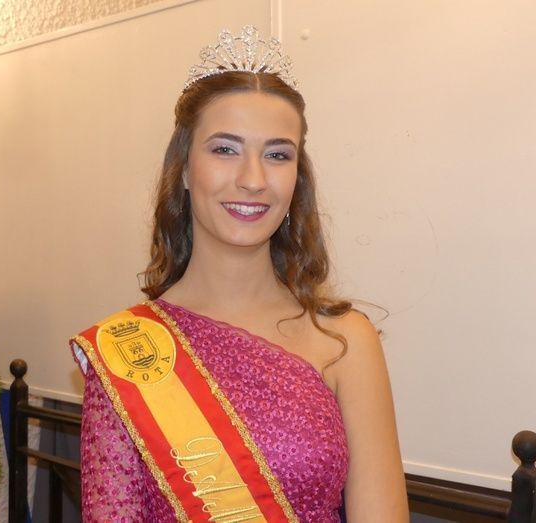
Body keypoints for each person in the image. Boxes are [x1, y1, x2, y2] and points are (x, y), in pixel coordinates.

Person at [70, 26, 407, 522]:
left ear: (297, 178)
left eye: (277, 155)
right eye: (225, 149)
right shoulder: (128, 354)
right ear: (185, 170)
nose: (253, 179)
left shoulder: (345, 341)